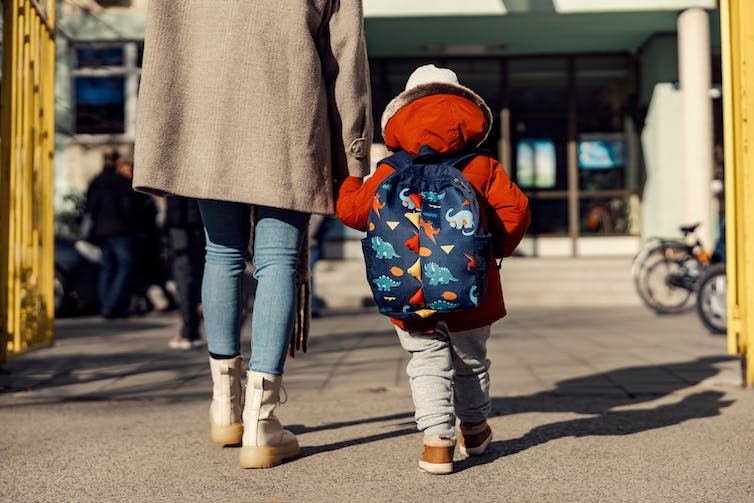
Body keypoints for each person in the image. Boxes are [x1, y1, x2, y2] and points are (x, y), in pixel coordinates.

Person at [133, 2, 371, 469]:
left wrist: (164, 132)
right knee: (278, 262)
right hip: (289, 116)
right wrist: (354, 151)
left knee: (219, 253)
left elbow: (164, 48)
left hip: (207, 123)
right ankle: (261, 423)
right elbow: (346, 55)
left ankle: (225, 407)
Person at [336, 65, 531, 474]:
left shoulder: (390, 169)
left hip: (407, 288)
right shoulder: (483, 166)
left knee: (425, 361)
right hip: (473, 285)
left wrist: (351, 182)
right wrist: (496, 250)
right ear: (466, 113)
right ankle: (474, 431)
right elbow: (515, 214)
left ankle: (436, 443)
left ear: (401, 116)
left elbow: (352, 212)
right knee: (471, 360)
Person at [85, 148, 138, 319]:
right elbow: (129, 206)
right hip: (120, 229)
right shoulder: (120, 182)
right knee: (125, 265)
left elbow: (90, 207)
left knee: (107, 267)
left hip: (102, 230)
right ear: (116, 161)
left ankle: (107, 305)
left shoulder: (97, 181)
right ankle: (112, 305)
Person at [164, 196, 206, 350]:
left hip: (182, 216)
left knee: (184, 271)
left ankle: (189, 330)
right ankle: (192, 328)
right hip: (204, 211)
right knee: (201, 269)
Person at [308, 214, 339, 317]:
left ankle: (311, 306)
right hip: (325, 215)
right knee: (308, 269)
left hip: (318, 217)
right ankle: (311, 306)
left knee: (307, 269)